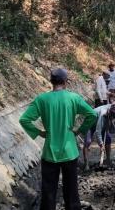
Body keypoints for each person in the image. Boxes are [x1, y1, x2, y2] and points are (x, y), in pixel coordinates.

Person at [19, 68, 97, 210]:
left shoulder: (42, 99)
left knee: (48, 193)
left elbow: (24, 120)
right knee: (72, 192)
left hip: (50, 153)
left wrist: (38, 132)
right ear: (65, 82)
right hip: (69, 152)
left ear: (51, 82)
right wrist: (80, 130)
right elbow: (92, 114)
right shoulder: (73, 98)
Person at [82, 101, 115, 170]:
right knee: (88, 141)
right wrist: (101, 144)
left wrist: (108, 126)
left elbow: (111, 122)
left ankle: (108, 160)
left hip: (100, 122)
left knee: (108, 139)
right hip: (89, 122)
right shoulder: (103, 113)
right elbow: (98, 132)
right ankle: (86, 163)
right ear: (111, 112)